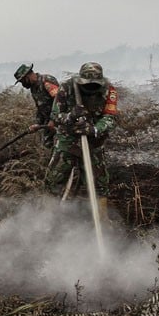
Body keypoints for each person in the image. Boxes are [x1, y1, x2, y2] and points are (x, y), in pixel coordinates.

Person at [46, 62, 118, 213]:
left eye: (94, 85)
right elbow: (55, 116)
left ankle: (102, 219)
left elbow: (110, 118)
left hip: (93, 141)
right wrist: (71, 116)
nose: (90, 88)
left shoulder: (109, 90)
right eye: (87, 85)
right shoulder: (67, 88)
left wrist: (94, 129)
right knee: (54, 179)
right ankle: (49, 218)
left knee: (99, 183)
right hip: (68, 139)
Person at [14, 63, 60, 148]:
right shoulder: (34, 88)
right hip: (48, 122)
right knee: (47, 145)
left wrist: (53, 120)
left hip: (60, 119)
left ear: (28, 76)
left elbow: (59, 100)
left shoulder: (46, 81)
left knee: (61, 147)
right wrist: (37, 124)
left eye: (22, 81)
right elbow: (41, 109)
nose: (23, 85)